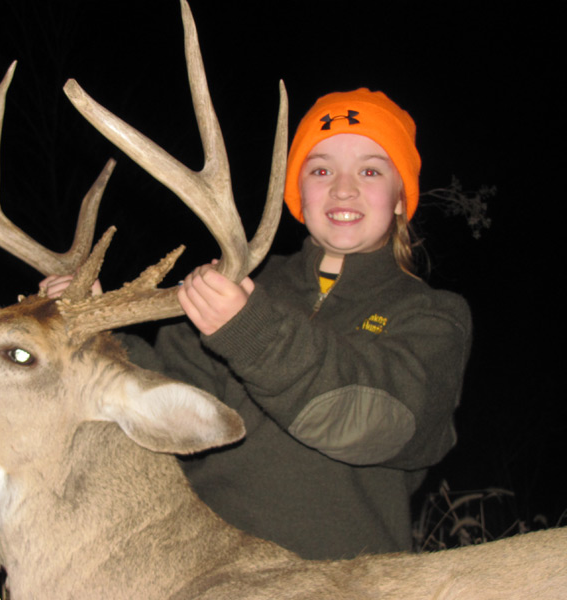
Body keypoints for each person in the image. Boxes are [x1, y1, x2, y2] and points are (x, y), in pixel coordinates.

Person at [41, 88, 471, 560]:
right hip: (205, 568)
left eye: (370, 170)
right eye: (321, 169)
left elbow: (376, 419)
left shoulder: (431, 315)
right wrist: (97, 332)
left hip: (341, 578)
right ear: (298, 196)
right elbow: (162, 395)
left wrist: (250, 331)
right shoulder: (247, 290)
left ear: (399, 198)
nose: (343, 188)